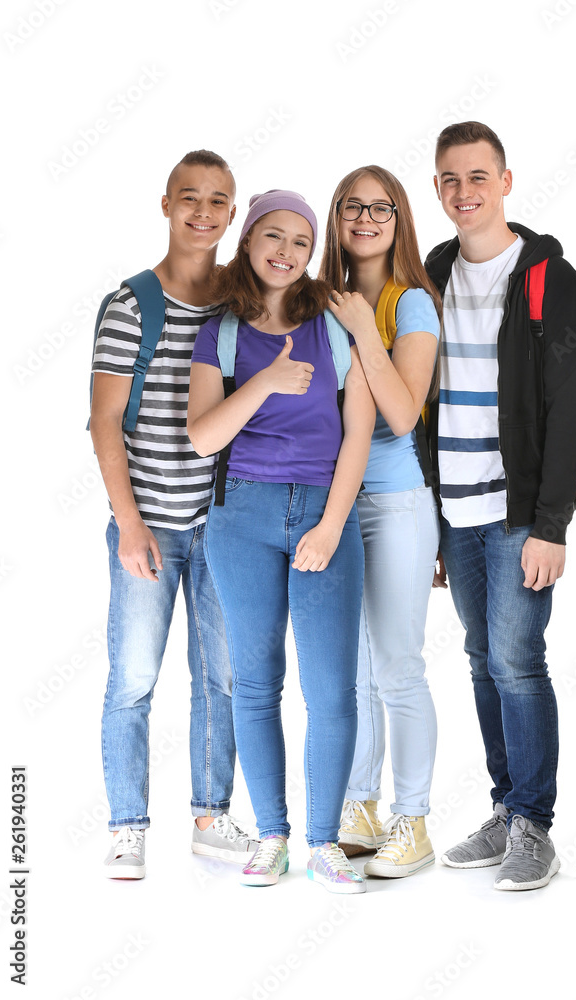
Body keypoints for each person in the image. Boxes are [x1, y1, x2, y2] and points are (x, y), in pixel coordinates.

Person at [187, 190, 375, 894]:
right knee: (256, 684)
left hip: (324, 513)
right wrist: (263, 381)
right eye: (273, 235)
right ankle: (271, 837)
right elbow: (204, 435)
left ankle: (324, 842)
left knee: (330, 689)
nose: (286, 251)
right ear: (249, 241)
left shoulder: (332, 325)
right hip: (242, 517)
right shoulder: (223, 334)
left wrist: (330, 525)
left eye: (300, 240)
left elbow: (358, 431)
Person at [424, 122, 576, 891]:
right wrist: (427, 521)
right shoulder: (430, 272)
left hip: (517, 510)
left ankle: (533, 825)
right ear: (437, 188)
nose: (464, 193)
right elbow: (420, 402)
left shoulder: (546, 278)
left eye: (477, 177)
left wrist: (551, 526)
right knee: (478, 659)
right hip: (451, 510)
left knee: (517, 662)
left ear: (505, 181)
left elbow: (568, 413)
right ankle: (504, 806)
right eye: (450, 180)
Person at [92, 150, 257, 879]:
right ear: (166, 204)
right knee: (133, 679)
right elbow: (104, 423)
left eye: (218, 201)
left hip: (221, 524)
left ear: (232, 213)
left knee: (218, 678)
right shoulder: (131, 304)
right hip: (149, 523)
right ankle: (127, 827)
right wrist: (128, 523)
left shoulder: (240, 303)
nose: (202, 212)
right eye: (189, 198)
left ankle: (211, 817)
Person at [318, 166, 442, 878]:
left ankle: (413, 819)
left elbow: (401, 414)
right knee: (356, 672)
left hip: (394, 505)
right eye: (351, 207)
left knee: (397, 667)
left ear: (399, 219)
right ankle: (359, 806)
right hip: (334, 503)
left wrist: (365, 328)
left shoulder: (411, 303)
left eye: (380, 207)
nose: (365, 218)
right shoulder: (318, 300)